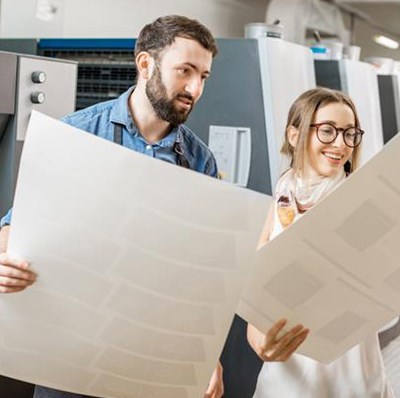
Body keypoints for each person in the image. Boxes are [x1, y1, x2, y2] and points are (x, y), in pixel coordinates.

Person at [0, 14, 224, 398]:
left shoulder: (200, 161)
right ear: (145, 64)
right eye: (185, 71)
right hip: (69, 354)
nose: (194, 87)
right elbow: (14, 227)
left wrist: (207, 356)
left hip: (152, 357)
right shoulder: (75, 134)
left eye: (203, 76)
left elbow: (199, 276)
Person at [242, 87, 393, 397]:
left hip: (351, 377)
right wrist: (262, 345)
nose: (341, 144)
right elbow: (256, 297)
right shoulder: (281, 200)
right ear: (295, 135)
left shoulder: (365, 204)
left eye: (350, 134)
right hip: (286, 379)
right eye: (327, 131)